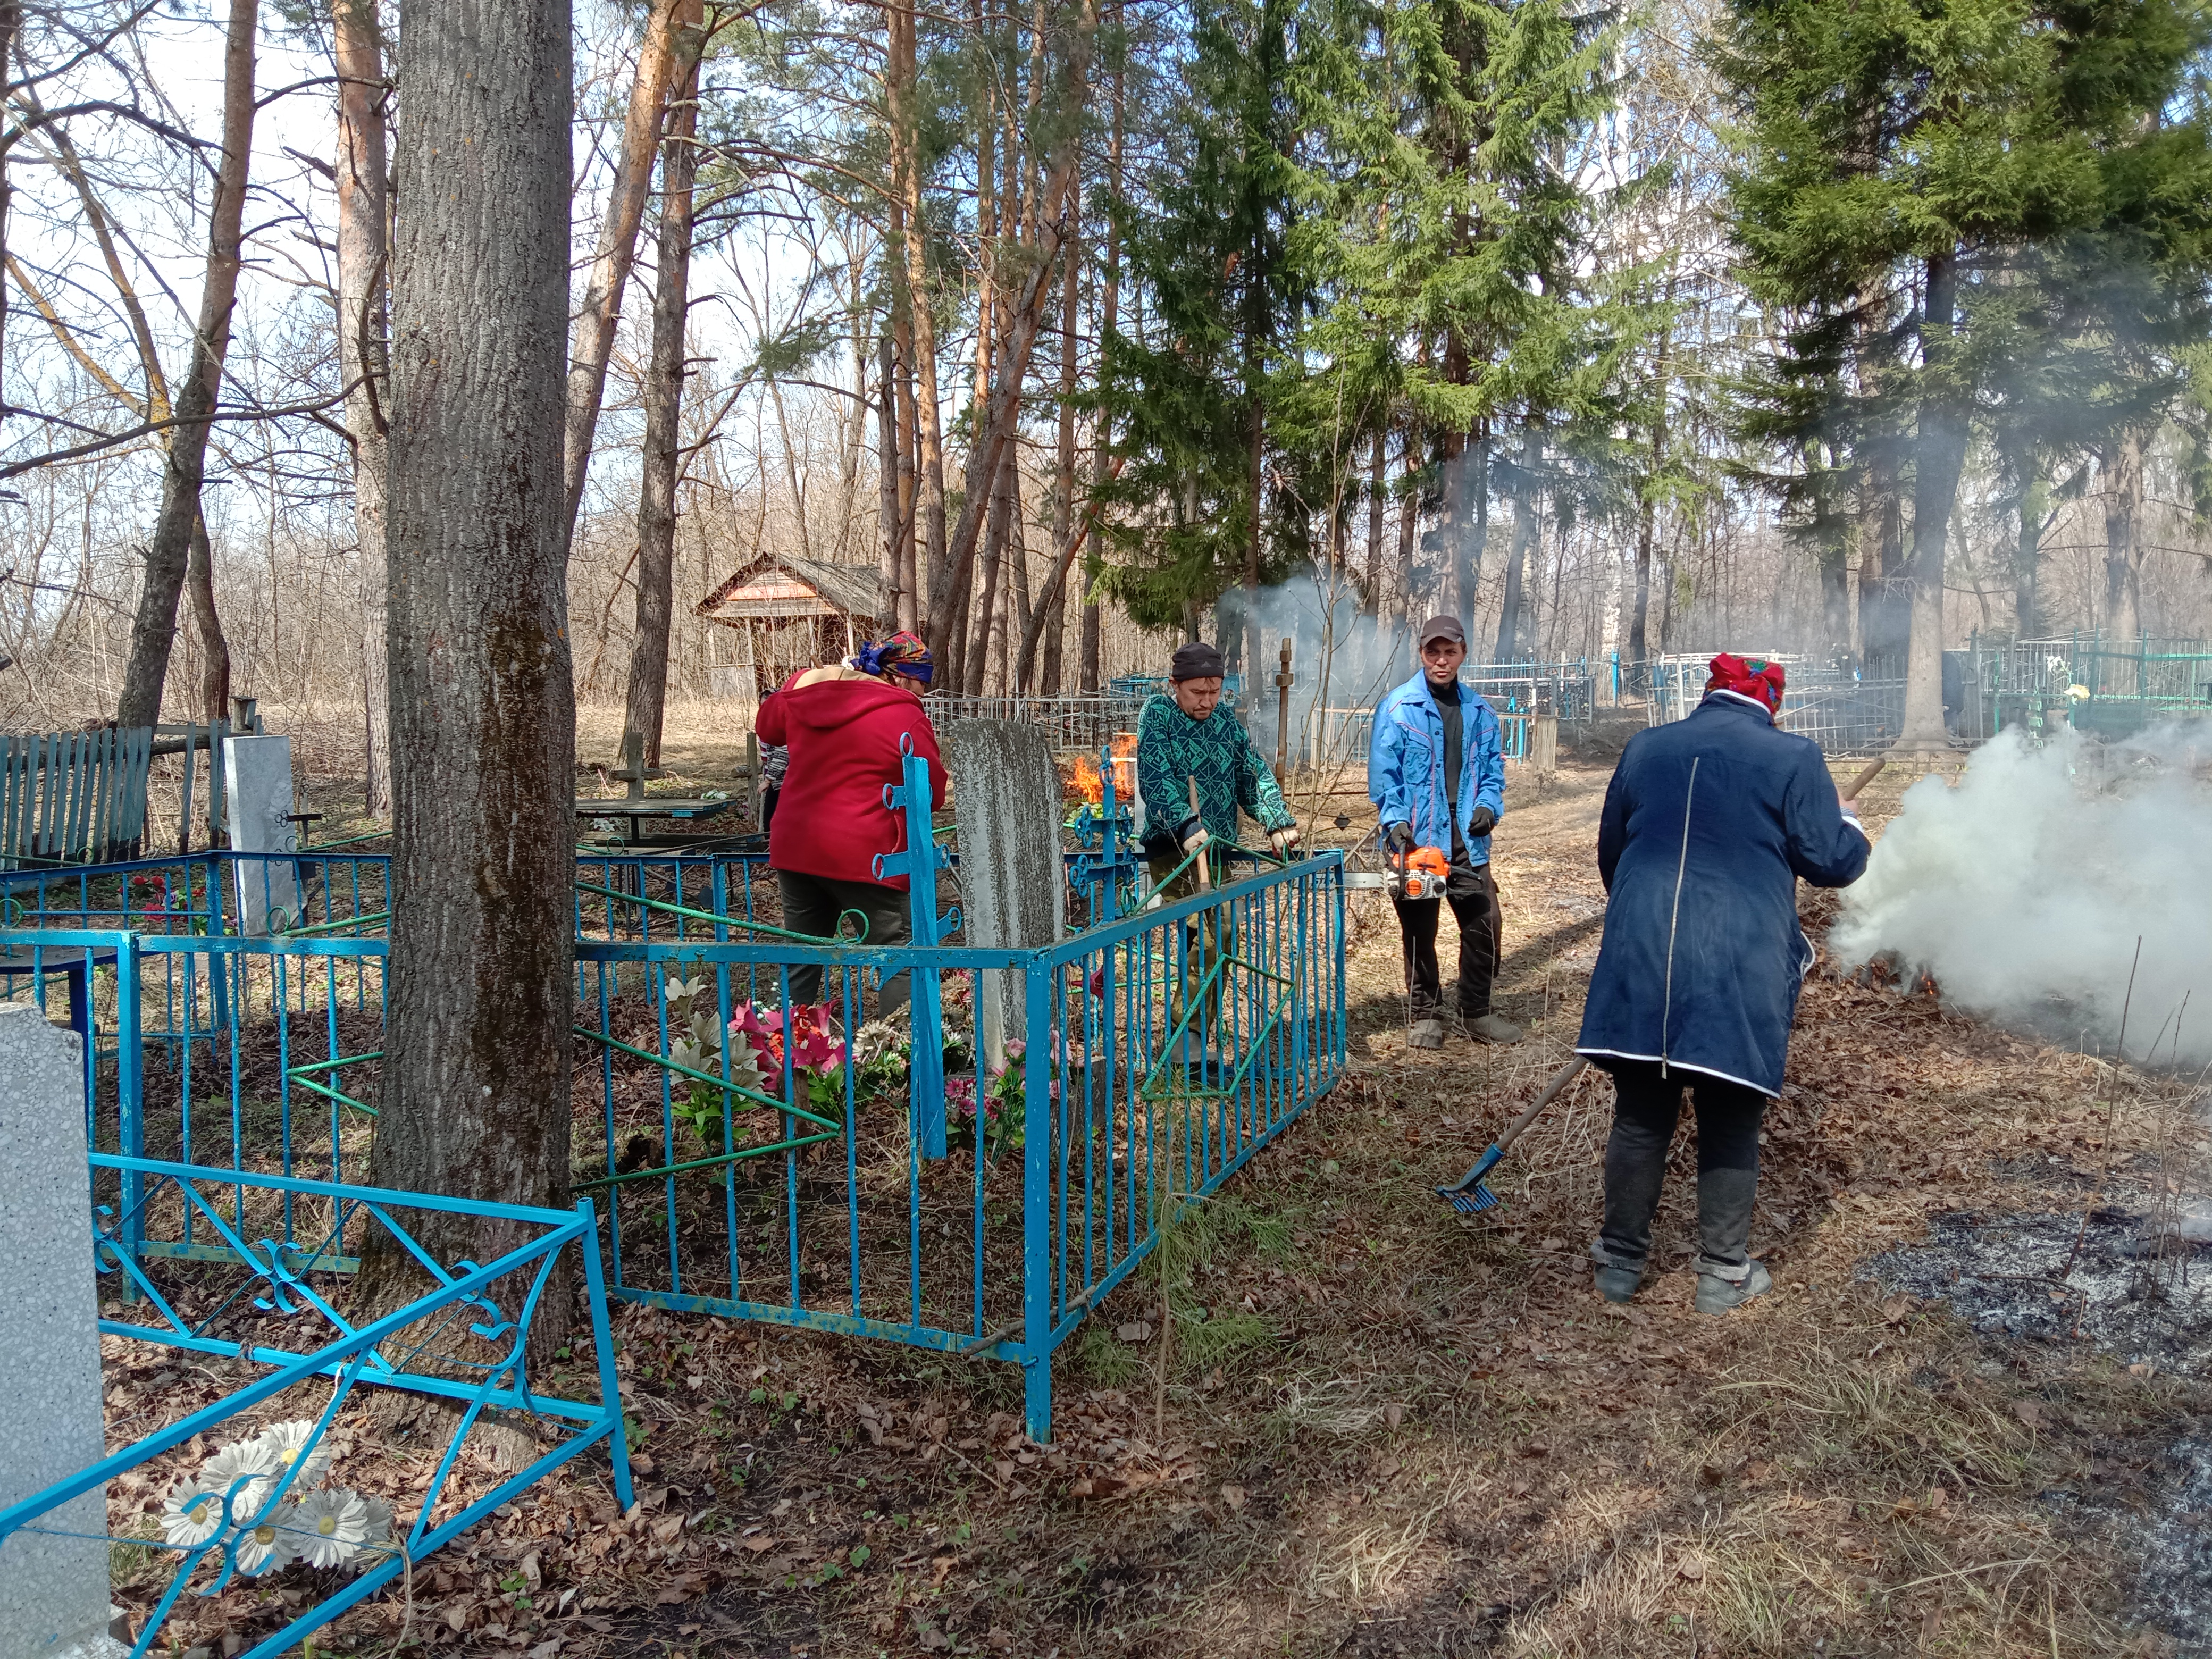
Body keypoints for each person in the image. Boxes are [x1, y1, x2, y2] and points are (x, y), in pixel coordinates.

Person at [1576, 652, 1869, 1314]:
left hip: (1642, 951)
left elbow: (1612, 854)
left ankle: (1618, 1268)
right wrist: (1844, 818)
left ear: (1708, 694)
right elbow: (1831, 861)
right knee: (1729, 1114)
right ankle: (1720, 1275)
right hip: (1735, 960)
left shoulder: (1646, 747)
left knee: (1640, 1115)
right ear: (1772, 703)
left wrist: (1646, 925)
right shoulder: (1793, 758)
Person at [755, 631, 943, 1015]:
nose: (923, 693)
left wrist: (804, 679)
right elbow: (933, 794)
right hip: (868, 857)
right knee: (900, 955)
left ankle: (770, 1060)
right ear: (901, 677)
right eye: (922, 682)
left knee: (802, 955)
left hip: (798, 846)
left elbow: (768, 726)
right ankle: (899, 1061)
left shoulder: (805, 690)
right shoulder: (904, 714)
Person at [1134, 640, 1298, 1049]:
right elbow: (1156, 778)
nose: (1207, 701)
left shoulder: (1226, 723)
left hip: (1218, 848)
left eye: (1214, 692)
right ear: (1175, 685)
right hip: (1175, 847)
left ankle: (1191, 1030)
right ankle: (1185, 1034)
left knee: (1220, 938)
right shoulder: (1158, 716)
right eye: (1197, 693)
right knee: (1210, 933)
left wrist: (1277, 821)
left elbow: (1251, 775)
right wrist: (1185, 822)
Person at [1368, 615, 1520, 1050]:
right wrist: (1395, 821)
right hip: (1417, 838)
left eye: (1449, 652)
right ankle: (1426, 1015)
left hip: (1467, 838)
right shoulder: (1398, 708)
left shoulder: (1481, 712)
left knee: (1484, 922)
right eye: (1432, 652)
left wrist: (1489, 807)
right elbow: (1385, 774)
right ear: (1421, 654)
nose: (1441, 661)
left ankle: (1477, 1011)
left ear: (1462, 655)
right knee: (1420, 926)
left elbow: (1493, 771)